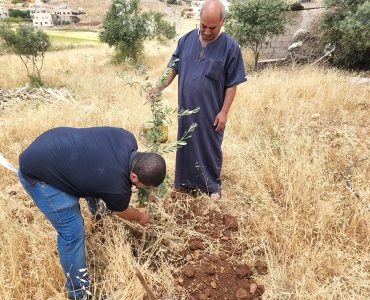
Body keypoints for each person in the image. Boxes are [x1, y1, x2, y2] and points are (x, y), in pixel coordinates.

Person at [17, 126, 166, 300]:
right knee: (72, 232)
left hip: (52, 143)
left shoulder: (127, 138)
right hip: (39, 176)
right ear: (134, 177)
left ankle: (99, 218)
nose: (145, 190)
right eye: (145, 187)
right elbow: (122, 211)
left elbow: (95, 162)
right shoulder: (117, 188)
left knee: (95, 178)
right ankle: (79, 294)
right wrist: (141, 217)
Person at [157, 0, 247, 200]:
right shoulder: (185, 41)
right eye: (203, 26)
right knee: (185, 144)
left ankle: (211, 186)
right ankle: (184, 182)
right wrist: (157, 87)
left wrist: (224, 112)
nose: (206, 31)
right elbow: (173, 68)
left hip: (211, 112)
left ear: (222, 22)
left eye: (212, 28)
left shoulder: (230, 48)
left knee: (209, 147)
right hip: (186, 110)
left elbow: (232, 84)